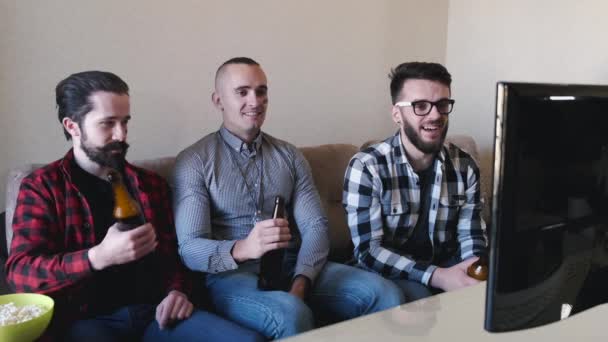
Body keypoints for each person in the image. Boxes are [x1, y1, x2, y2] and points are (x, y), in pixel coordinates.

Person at [5, 71, 264, 342]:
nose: (121, 134)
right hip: (86, 320)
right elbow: (21, 273)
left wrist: (178, 292)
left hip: (157, 315)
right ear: (72, 126)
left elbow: (175, 255)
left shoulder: (148, 184)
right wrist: (97, 257)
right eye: (107, 124)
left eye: (125, 122)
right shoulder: (42, 187)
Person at [172, 57, 403, 340]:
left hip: (295, 265)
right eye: (242, 92)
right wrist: (244, 247)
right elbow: (189, 248)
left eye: (261, 91)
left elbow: (316, 227)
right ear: (218, 100)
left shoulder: (289, 156)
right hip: (233, 277)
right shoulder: (194, 161)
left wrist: (301, 283)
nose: (255, 101)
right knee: (290, 315)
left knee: (386, 293)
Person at [342, 62, 487, 302]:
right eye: (421, 106)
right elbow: (369, 252)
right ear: (397, 114)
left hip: (447, 263)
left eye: (442, 105)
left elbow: (470, 234)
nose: (435, 115)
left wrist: (474, 272)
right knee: (418, 296)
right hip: (388, 272)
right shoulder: (367, 167)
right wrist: (438, 277)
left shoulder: (465, 166)